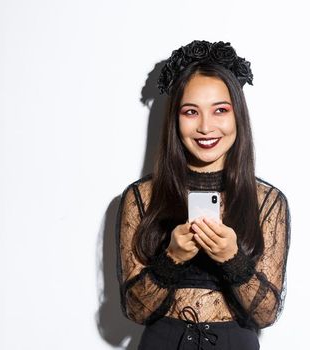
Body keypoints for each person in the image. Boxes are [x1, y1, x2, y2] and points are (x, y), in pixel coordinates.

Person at [116, 40, 291, 350]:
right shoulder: (142, 196)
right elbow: (135, 310)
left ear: (238, 115)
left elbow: (266, 314)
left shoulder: (267, 201)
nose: (206, 127)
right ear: (175, 119)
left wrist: (232, 260)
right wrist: (171, 259)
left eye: (220, 110)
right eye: (191, 112)